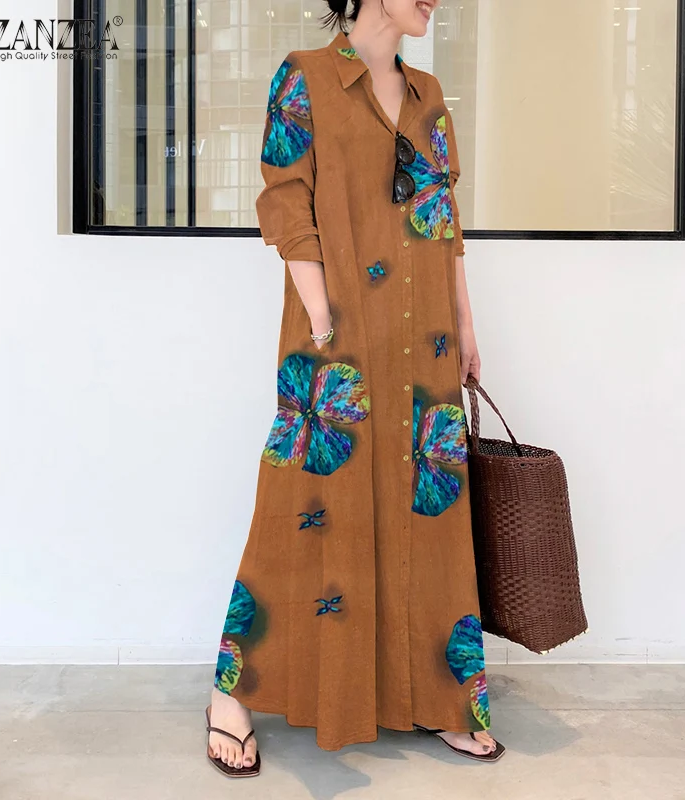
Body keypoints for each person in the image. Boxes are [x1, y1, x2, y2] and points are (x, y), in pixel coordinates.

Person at [204, 0, 505, 777]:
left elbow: (444, 225)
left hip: (424, 342)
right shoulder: (303, 78)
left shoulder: (429, 96)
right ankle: (232, 693)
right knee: (302, 507)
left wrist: (466, 327)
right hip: (333, 344)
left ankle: (437, 696)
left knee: (426, 516)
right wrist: (320, 316)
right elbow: (285, 201)